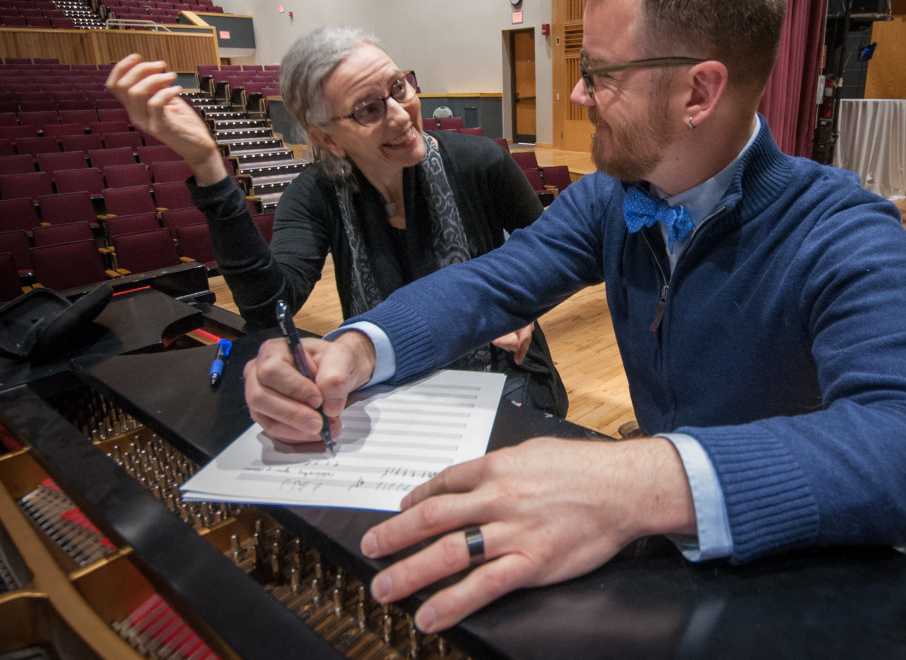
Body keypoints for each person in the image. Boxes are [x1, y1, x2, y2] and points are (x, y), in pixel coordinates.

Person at [242, 0, 906, 633]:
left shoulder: (840, 226)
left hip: (793, 574)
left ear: (699, 93)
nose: (576, 95)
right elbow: (489, 283)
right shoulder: (610, 198)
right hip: (679, 567)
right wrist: (353, 350)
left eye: (598, 74)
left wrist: (636, 480)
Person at [105, 27, 567, 416]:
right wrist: (207, 163)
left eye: (400, 87)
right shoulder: (315, 193)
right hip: (390, 387)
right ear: (327, 137)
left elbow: (547, 252)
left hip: (508, 375)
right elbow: (270, 309)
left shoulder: (480, 162)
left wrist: (519, 306)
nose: (400, 114)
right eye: (368, 109)